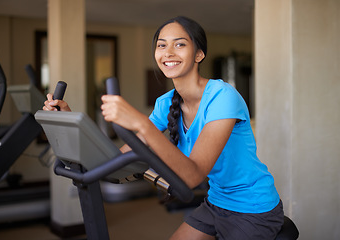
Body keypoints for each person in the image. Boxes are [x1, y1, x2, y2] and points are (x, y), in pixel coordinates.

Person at [43, 16, 284, 240]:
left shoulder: (223, 97)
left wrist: (139, 123)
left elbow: (193, 175)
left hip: (253, 207)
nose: (168, 52)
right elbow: (118, 158)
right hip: (217, 201)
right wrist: (71, 119)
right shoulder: (166, 102)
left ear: (199, 54)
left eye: (179, 44)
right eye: (161, 45)